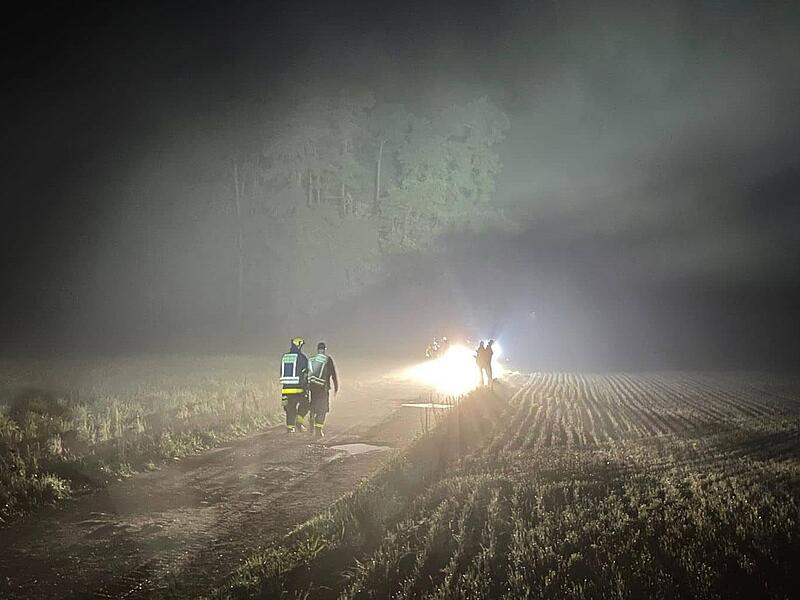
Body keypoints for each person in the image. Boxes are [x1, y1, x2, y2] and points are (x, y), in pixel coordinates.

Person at [307, 341, 339, 438]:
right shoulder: (327, 359)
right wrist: (336, 386)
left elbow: (307, 373)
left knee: (314, 404)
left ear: (317, 350)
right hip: (323, 388)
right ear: (324, 350)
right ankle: (318, 431)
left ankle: (312, 416)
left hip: (313, 388)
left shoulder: (312, 359)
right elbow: (333, 373)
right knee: (323, 408)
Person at [280, 337, 310, 433]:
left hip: (286, 388)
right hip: (299, 388)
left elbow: (282, 372)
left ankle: (290, 429)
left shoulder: (285, 357)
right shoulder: (302, 358)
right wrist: (307, 385)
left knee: (290, 408)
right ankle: (299, 421)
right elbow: (306, 373)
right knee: (305, 405)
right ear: (299, 345)